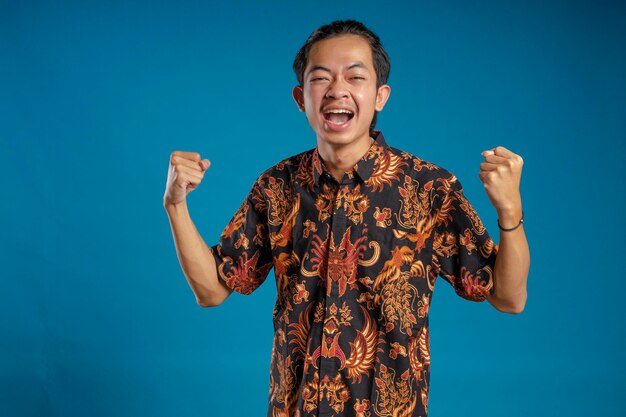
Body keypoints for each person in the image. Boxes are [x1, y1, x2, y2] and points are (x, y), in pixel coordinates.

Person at [163, 19, 529, 417]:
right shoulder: (276, 187)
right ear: (301, 98)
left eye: (355, 76)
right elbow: (213, 289)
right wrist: (175, 204)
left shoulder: (427, 189)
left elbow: (508, 297)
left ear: (379, 96)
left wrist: (510, 212)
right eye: (321, 78)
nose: (337, 89)